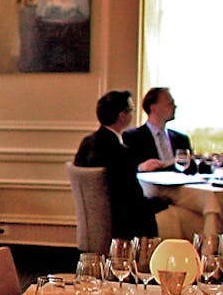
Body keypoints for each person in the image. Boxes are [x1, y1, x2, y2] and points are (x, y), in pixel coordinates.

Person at [74, 90, 161, 237]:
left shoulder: (88, 143)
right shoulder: (117, 151)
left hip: (95, 216)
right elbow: (131, 196)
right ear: (122, 116)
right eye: (132, 110)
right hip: (120, 220)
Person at [122, 87, 192, 172]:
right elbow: (125, 170)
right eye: (170, 103)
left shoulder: (182, 139)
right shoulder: (132, 137)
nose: (175, 106)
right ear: (153, 108)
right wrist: (141, 167)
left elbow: (191, 169)